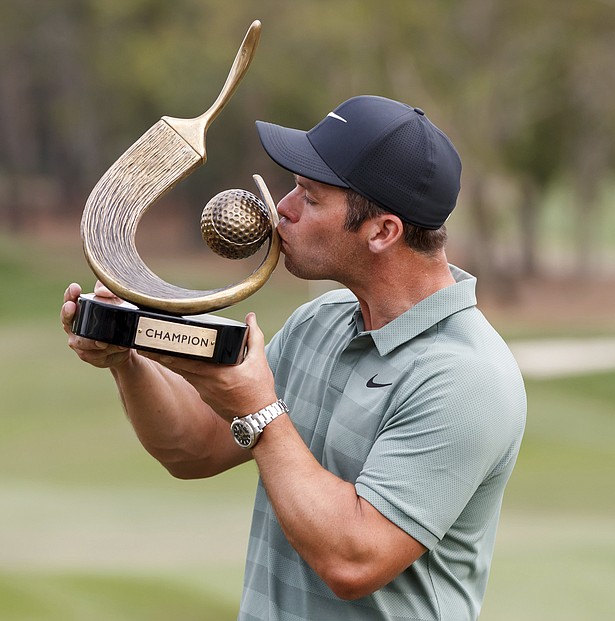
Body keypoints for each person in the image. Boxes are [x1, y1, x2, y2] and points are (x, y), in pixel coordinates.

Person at [61, 95, 526, 620]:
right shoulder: (321, 320)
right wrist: (127, 359)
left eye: (310, 196)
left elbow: (354, 560)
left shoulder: (466, 377)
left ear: (382, 232)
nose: (282, 208)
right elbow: (195, 448)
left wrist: (260, 413)